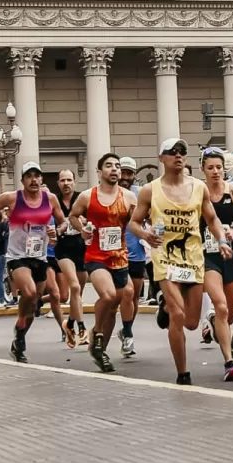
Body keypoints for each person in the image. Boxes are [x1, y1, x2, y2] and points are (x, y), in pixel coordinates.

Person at [128, 138, 225, 385]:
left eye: (182, 151)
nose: (178, 155)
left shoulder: (198, 187)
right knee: (178, 315)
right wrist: (145, 235)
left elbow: (212, 219)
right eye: (172, 152)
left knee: (192, 322)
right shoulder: (151, 189)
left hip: (193, 258)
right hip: (165, 258)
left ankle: (164, 305)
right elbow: (133, 222)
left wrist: (222, 240)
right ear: (162, 158)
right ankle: (183, 372)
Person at [0, 161, 68, 363]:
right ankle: (20, 334)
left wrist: (57, 230)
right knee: (28, 293)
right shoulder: (12, 198)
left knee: (33, 302)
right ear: (22, 180)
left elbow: (63, 221)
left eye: (37, 176)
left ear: (41, 179)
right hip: (17, 256)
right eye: (29, 176)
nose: (34, 180)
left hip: (39, 256)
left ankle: (19, 335)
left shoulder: (51, 198)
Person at [68, 153, 138, 373]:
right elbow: (73, 216)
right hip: (96, 256)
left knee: (115, 305)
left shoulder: (128, 197)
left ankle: (101, 350)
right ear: (99, 172)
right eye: (109, 166)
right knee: (107, 296)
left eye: (117, 166)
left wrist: (148, 231)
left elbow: (137, 221)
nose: (115, 169)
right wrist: (83, 230)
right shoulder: (88, 196)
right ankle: (96, 334)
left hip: (120, 257)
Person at [197, 146, 233, 382]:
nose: (215, 172)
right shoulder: (197, 193)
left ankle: (216, 324)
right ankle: (229, 363)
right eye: (210, 168)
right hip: (207, 256)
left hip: (232, 253)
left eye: (219, 167)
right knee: (220, 306)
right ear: (203, 170)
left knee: (232, 307)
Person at [54, 169, 89, 348]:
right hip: (63, 248)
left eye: (69, 180)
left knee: (78, 293)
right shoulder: (54, 201)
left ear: (74, 182)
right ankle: (82, 329)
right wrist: (56, 230)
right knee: (74, 286)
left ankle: (69, 324)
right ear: (58, 183)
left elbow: (92, 220)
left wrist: (86, 223)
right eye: (62, 180)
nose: (66, 183)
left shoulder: (82, 198)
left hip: (81, 247)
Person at [118, 156, 144, 356]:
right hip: (113, 253)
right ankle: (126, 334)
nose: (125, 177)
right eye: (123, 172)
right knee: (122, 295)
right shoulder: (110, 194)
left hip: (136, 252)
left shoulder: (140, 195)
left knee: (133, 295)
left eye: (129, 173)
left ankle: (127, 330)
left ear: (135, 175)